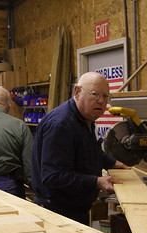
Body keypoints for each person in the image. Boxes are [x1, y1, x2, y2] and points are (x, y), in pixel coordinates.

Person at [32, 72, 130, 224]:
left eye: (106, 96)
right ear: (77, 92)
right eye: (95, 94)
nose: (101, 101)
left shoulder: (85, 119)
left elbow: (89, 151)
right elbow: (53, 176)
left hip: (73, 210)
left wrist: (114, 163)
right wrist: (96, 182)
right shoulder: (62, 125)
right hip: (57, 214)